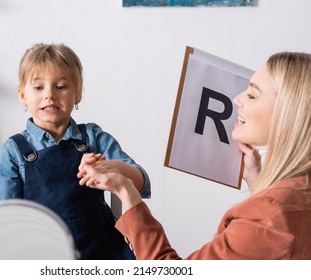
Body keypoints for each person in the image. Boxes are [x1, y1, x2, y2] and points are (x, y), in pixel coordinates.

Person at [78, 52, 311, 259]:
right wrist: (258, 183)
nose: (237, 100)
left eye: (252, 95)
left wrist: (125, 191)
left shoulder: (267, 214)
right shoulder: (295, 197)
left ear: (288, 114)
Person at [0, 43, 151, 260]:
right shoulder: (13, 151)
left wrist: (112, 168)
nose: (49, 95)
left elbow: (141, 181)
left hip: (102, 252)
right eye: (38, 87)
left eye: (61, 86)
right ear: (22, 95)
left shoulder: (94, 138)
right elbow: (5, 222)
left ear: (77, 94)